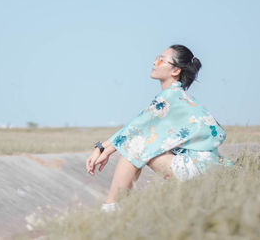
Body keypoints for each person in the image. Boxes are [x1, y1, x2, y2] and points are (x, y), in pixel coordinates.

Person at [85, 44, 233, 212]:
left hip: (198, 168)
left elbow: (134, 130)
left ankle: (110, 209)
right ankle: (116, 208)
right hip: (204, 166)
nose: (155, 63)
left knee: (136, 146)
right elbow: (138, 127)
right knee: (138, 143)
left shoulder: (170, 98)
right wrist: (103, 148)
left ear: (175, 70)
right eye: (156, 59)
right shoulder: (175, 96)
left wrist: (101, 148)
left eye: (161, 60)